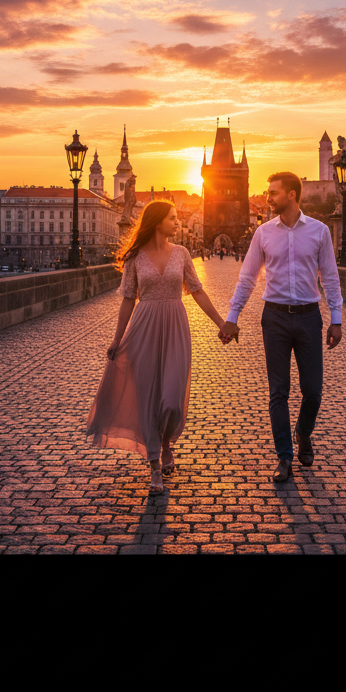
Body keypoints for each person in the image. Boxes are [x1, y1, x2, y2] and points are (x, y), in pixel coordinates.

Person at [86, 200, 227, 496]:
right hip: (144, 327)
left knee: (173, 400)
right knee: (148, 399)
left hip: (176, 327)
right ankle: (154, 467)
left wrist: (220, 323)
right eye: (173, 218)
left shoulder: (182, 253)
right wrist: (116, 339)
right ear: (157, 221)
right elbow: (127, 300)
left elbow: (198, 291)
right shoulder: (136, 257)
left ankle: (165, 443)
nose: (178, 223)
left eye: (177, 218)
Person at [220, 172, 342, 483]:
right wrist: (232, 317)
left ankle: (303, 432)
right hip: (273, 317)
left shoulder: (319, 231)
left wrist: (336, 318)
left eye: (273, 193)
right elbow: (247, 277)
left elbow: (329, 276)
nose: (268, 197)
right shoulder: (263, 233)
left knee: (313, 391)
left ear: (291, 195)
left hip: (308, 316)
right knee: (278, 392)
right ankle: (284, 457)